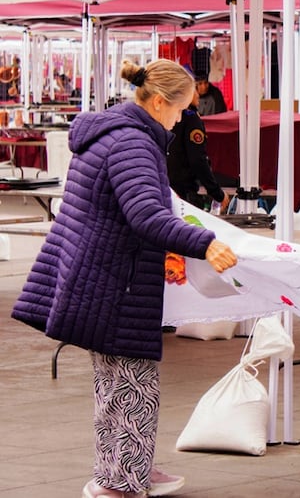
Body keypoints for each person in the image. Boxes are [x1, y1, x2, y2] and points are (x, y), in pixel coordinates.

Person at [10, 59, 238, 498]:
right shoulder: (132, 144)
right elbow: (146, 216)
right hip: (117, 280)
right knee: (133, 382)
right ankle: (121, 484)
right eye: (179, 111)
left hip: (99, 276)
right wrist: (205, 244)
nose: (180, 121)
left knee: (113, 382)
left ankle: (126, 468)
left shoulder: (110, 133)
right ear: (156, 102)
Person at [168, 86, 230, 213]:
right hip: (183, 194)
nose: (198, 95)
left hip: (166, 190)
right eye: (195, 89)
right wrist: (217, 193)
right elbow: (198, 160)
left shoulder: (167, 115)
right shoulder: (190, 118)